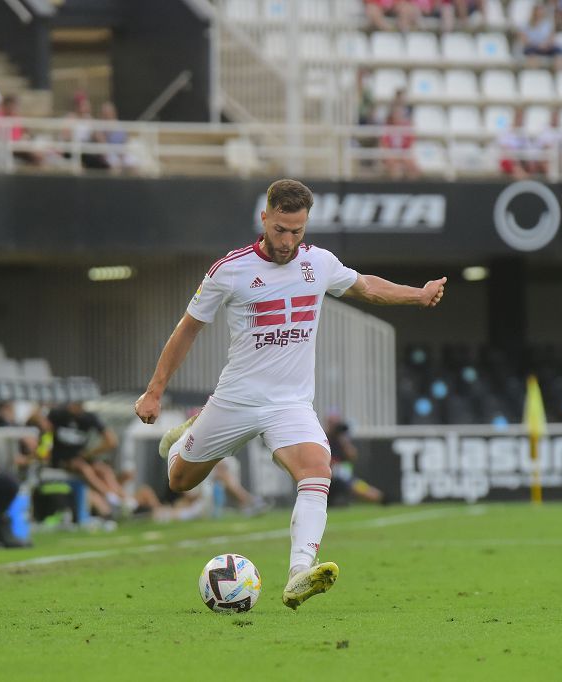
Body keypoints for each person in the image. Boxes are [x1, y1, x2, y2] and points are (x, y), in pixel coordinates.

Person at [135, 179, 446, 610]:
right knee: (179, 479)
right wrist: (155, 392)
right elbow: (187, 329)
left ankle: (300, 572)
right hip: (237, 399)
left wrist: (418, 294)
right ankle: (182, 440)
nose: (287, 240)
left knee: (318, 469)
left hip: (290, 405)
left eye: (296, 231)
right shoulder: (231, 269)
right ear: (265, 218)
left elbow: (367, 286)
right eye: (280, 229)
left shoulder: (319, 263)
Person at [47, 401, 126, 519]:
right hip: (63, 460)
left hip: (81, 458)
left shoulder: (88, 418)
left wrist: (90, 453)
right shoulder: (57, 414)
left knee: (103, 469)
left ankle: (121, 500)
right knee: (84, 468)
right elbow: (40, 423)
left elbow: (112, 441)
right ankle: (110, 497)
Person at [325, 413, 384, 505]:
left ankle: (385, 499)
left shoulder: (342, 439)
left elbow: (353, 456)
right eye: (332, 423)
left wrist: (343, 440)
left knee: (367, 492)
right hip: (327, 479)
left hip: (344, 478)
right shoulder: (323, 438)